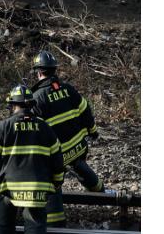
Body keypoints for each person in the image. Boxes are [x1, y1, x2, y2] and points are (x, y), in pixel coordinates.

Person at [29, 51, 112, 226]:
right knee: (79, 166)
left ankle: (56, 223)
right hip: (77, 148)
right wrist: (93, 131)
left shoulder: (36, 99)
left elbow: (34, 132)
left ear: (38, 72)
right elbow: (85, 108)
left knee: (53, 183)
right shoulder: (68, 89)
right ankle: (103, 195)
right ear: (54, 70)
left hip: (57, 156)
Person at [0, 85, 65, 234]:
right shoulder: (45, 127)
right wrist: (58, 181)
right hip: (36, 189)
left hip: (8, 188)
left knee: (3, 227)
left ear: (12, 106)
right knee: (35, 227)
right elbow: (57, 157)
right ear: (31, 105)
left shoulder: (4, 127)